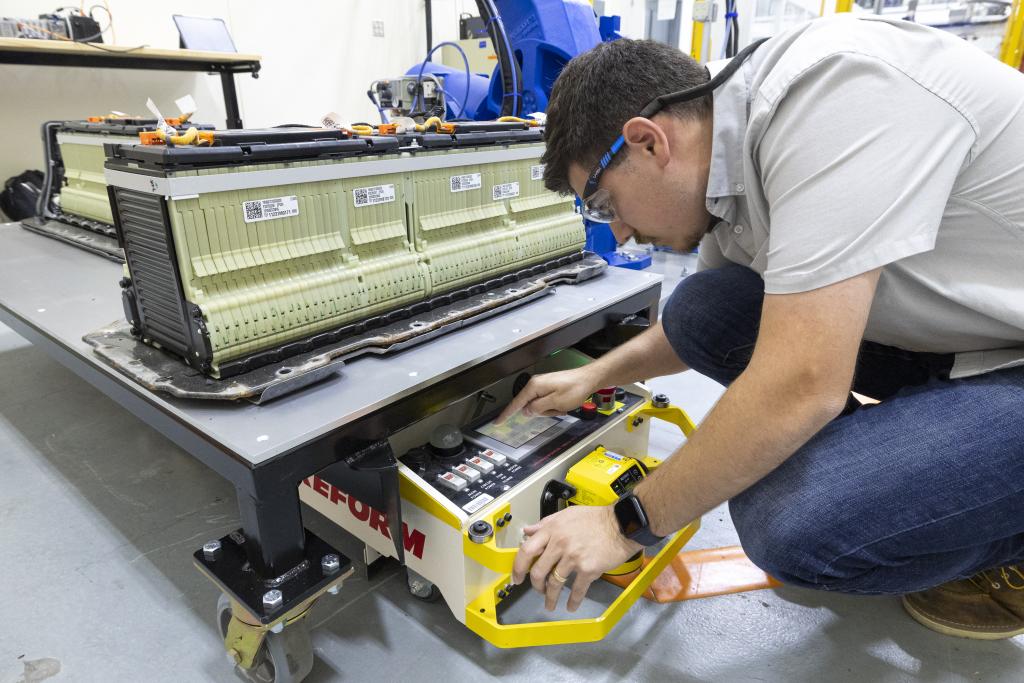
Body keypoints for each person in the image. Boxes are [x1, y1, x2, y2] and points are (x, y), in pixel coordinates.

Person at [497, 14, 1024, 639]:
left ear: (647, 142)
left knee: (792, 523)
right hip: (974, 337)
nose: (620, 233)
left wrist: (624, 523)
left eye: (607, 205)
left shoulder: (836, 95)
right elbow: (699, 326)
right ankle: (922, 482)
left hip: (1006, 353)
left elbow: (803, 382)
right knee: (703, 307)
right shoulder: (725, 137)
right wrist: (599, 372)